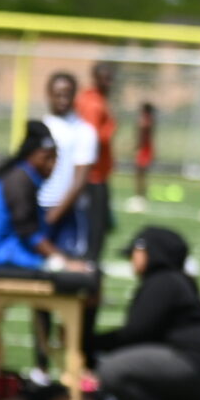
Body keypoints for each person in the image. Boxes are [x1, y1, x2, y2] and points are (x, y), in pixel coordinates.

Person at [0, 228, 200, 400]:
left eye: (136, 252)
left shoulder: (164, 282)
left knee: (114, 371)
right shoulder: (175, 283)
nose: (132, 260)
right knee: (102, 379)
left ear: (150, 253)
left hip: (188, 363)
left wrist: (91, 345)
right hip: (192, 365)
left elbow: (135, 333)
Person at [0, 121, 92, 274]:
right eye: (47, 158)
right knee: (67, 271)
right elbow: (29, 232)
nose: (52, 165)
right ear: (31, 155)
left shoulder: (24, 176)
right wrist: (62, 261)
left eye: (55, 158)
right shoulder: (19, 180)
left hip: (8, 250)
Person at [37, 71, 100, 259]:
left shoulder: (84, 130)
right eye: (58, 94)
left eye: (68, 94)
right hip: (38, 206)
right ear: (49, 94)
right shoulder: (41, 127)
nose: (63, 99)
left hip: (66, 211)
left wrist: (55, 214)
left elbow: (80, 179)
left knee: (66, 267)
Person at [77, 63, 118, 256]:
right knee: (96, 224)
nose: (109, 82)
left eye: (111, 78)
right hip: (93, 175)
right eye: (105, 78)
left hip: (95, 172)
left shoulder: (92, 98)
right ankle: (91, 262)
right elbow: (92, 138)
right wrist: (108, 132)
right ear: (95, 77)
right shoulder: (94, 103)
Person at [130, 100, 157, 206]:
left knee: (139, 174)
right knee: (141, 174)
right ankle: (141, 196)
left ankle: (139, 197)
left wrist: (137, 148)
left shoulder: (145, 121)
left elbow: (141, 136)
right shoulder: (150, 120)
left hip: (143, 150)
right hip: (146, 149)